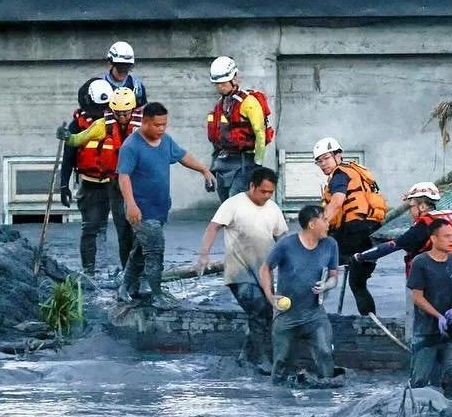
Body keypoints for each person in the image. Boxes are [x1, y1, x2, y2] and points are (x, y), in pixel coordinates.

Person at [116, 102, 217, 306]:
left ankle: (125, 288)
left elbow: (182, 156)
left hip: (159, 208)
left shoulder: (166, 141)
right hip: (141, 211)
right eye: (157, 125)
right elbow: (123, 177)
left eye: (164, 124)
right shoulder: (131, 146)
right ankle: (156, 294)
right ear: (145, 122)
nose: (162, 128)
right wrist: (131, 204)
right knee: (155, 251)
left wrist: (204, 170)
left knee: (140, 251)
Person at [196, 165, 288, 373]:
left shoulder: (273, 209)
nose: (266, 196)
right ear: (252, 186)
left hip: (264, 274)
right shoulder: (233, 204)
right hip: (239, 273)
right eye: (263, 191)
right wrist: (204, 255)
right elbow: (213, 228)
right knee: (259, 311)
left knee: (265, 314)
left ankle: (246, 357)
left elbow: (281, 237)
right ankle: (263, 360)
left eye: (270, 192)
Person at [57, 84, 140, 277]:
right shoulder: (88, 125)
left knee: (127, 230)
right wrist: (64, 183)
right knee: (91, 227)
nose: (121, 117)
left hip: (119, 184)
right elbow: (71, 149)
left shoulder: (136, 127)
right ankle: (90, 272)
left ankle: (130, 272)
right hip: (91, 184)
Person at [261, 205, 341, 384]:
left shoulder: (330, 244)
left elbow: (334, 276)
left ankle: (327, 394)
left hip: (315, 314)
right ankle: (278, 396)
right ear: (312, 224)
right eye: (324, 220)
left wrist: (326, 285)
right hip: (287, 316)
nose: (328, 224)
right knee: (281, 362)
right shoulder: (286, 244)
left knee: (325, 353)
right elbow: (265, 268)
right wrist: (269, 295)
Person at [314, 137, 388, 318]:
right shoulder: (356, 172)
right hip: (370, 236)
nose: (323, 164)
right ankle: (370, 320)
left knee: (314, 258)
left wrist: (318, 228)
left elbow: (337, 201)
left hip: (354, 234)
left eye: (326, 158)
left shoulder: (339, 175)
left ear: (338, 156)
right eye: (319, 161)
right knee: (358, 284)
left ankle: (310, 313)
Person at [350, 182, 452, 275]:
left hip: (436, 279)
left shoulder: (423, 226)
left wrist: (360, 256)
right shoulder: (451, 218)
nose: (410, 211)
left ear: (422, 207)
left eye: (411, 207)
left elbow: (393, 245)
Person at [405, 219, 452, 395]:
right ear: (433, 238)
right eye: (446, 236)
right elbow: (417, 297)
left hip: (449, 332)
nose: (451, 240)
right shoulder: (421, 262)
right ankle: (413, 409)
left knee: (451, 376)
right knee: (419, 380)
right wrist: (438, 316)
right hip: (425, 331)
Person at [204, 56, 273, 203]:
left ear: (234, 78)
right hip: (223, 162)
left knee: (236, 203)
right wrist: (211, 169)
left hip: (244, 163)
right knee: (226, 206)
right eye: (216, 84)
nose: (220, 87)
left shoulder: (249, 102)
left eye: (223, 83)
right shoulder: (219, 105)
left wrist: (257, 164)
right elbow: (217, 140)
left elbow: (260, 133)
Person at [78, 41, 147, 117]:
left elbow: (142, 110)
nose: (123, 72)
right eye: (120, 67)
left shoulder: (136, 85)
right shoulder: (99, 85)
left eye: (127, 67)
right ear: (110, 64)